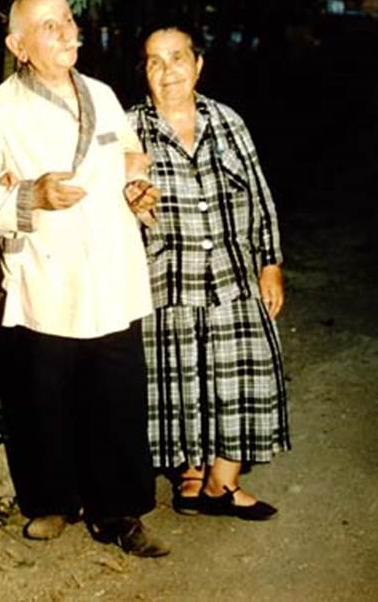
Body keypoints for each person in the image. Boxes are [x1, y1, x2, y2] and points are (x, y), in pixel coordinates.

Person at [0, 0, 168, 557]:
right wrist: (31, 195)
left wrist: (137, 192)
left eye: (68, 20)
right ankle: (53, 502)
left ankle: (119, 510)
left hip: (109, 270)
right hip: (44, 276)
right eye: (48, 26)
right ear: (17, 45)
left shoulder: (101, 95)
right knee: (44, 395)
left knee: (117, 393)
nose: (66, 31)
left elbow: (130, 161)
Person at [127, 26, 290, 520]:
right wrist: (130, 200)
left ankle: (225, 479)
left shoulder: (228, 122)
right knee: (178, 379)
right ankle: (190, 476)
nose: (168, 70)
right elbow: (114, 197)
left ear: (198, 65)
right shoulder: (129, 127)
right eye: (155, 62)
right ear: (145, 73)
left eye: (177, 58)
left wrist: (271, 262)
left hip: (233, 274)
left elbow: (259, 196)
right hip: (166, 277)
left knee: (247, 374)